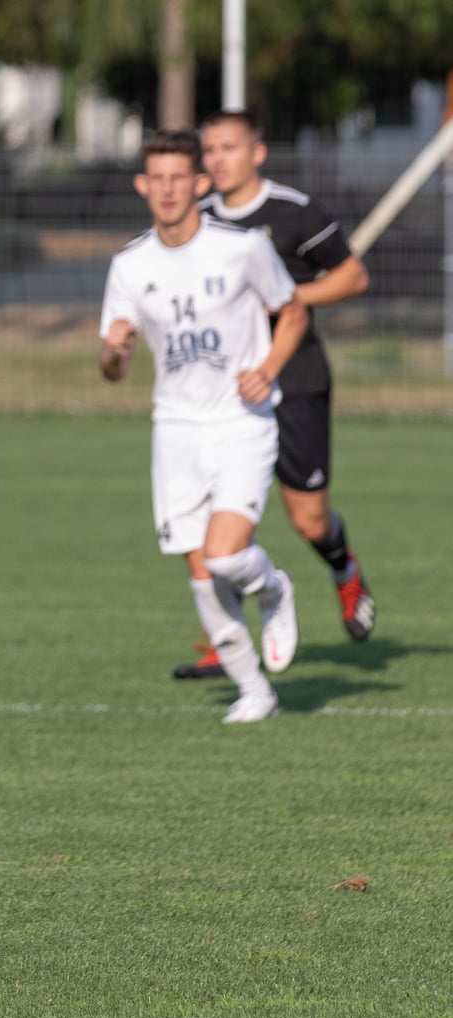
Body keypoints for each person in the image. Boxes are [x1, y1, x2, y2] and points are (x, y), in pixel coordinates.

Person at [100, 130, 308, 724]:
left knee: (224, 556)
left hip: (241, 422)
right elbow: (112, 369)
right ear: (142, 186)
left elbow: (293, 311)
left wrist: (267, 370)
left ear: (199, 183)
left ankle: (273, 588)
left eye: (178, 178)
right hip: (176, 431)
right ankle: (254, 691)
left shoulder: (241, 249)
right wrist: (115, 351)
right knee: (200, 574)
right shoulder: (130, 265)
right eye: (156, 179)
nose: (167, 190)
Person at [173, 109, 376, 680]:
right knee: (212, 518)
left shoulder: (293, 211)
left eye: (229, 147)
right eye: (210, 150)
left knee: (308, 520)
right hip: (224, 391)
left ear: (256, 153)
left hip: (296, 380)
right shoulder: (199, 218)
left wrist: (287, 298)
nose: (218, 159)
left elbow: (353, 277)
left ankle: (344, 569)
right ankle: (226, 640)